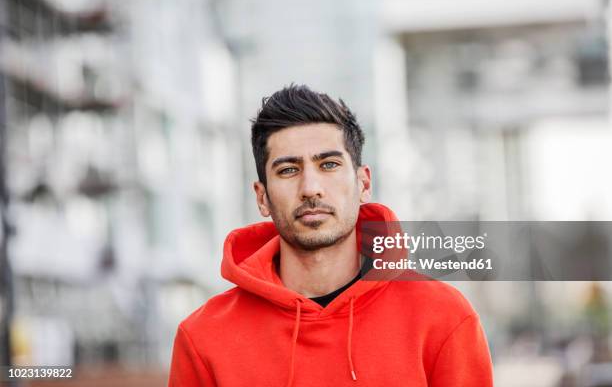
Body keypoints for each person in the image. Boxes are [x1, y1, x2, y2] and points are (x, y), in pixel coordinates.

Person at [168, 84, 493, 386]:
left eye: (329, 165)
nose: (311, 188)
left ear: (363, 183)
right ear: (262, 197)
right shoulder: (204, 338)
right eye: (288, 170)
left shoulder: (443, 317)